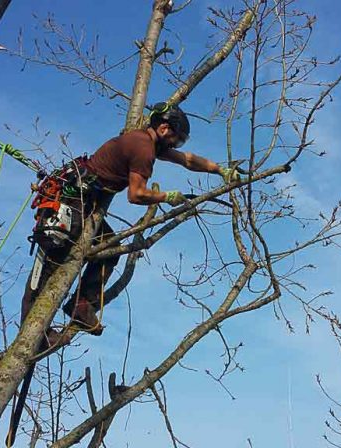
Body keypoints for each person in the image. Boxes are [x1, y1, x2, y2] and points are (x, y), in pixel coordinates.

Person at [21, 102, 240, 337]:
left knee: (111, 249)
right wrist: (167, 196)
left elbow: (186, 160)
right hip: (73, 204)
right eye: (176, 139)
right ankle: (34, 335)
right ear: (164, 129)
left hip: (86, 203)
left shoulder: (145, 141)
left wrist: (220, 170)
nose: (175, 145)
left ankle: (81, 305)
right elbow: (136, 195)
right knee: (51, 269)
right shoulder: (143, 149)